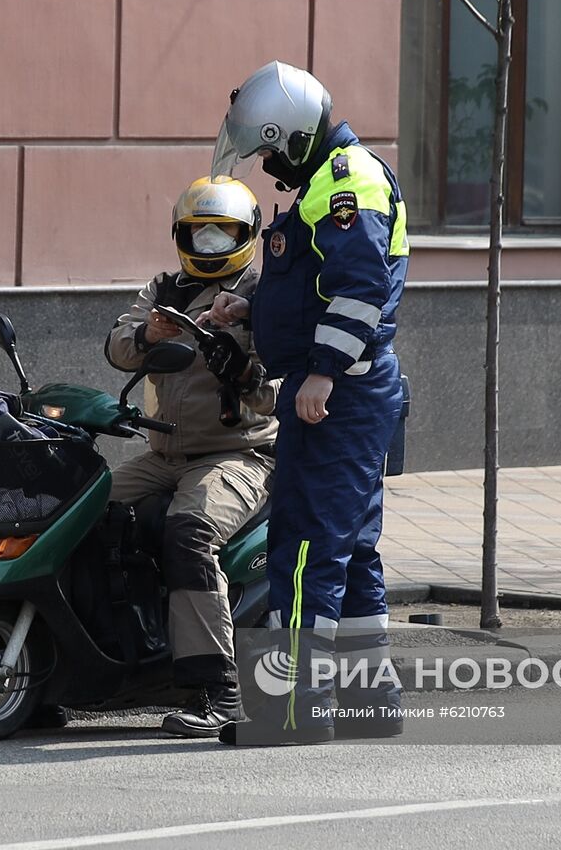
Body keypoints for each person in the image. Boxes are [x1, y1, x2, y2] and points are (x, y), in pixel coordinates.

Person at [203, 61, 409, 745]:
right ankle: (366, 701)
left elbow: (358, 288)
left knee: (302, 551)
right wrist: (251, 303)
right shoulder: (327, 185)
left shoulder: (347, 186)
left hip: (339, 394)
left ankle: (291, 710)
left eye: (266, 151)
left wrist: (321, 373)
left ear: (290, 137)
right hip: (353, 391)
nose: (265, 165)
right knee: (350, 550)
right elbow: (313, 281)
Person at [103, 175, 280, 738]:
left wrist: (244, 366)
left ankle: (217, 691)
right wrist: (151, 335)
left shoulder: (262, 294)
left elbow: (276, 387)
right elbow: (117, 344)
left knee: (189, 530)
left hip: (239, 453)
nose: (208, 244)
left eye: (221, 233)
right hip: (163, 451)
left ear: (246, 234)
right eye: (197, 233)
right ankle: (104, 659)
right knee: (86, 514)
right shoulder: (163, 288)